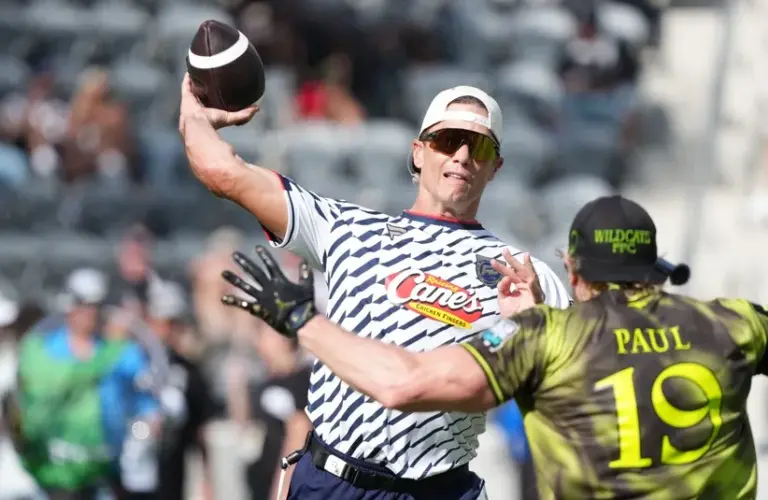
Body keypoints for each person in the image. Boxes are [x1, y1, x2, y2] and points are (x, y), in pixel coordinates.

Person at [179, 72, 571, 499]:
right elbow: (223, 172)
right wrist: (192, 111)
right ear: (419, 152)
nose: (460, 155)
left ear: (495, 167)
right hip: (331, 481)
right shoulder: (346, 228)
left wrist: (534, 325)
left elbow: (588, 383)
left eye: (477, 146)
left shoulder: (524, 276)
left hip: (436, 488)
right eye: (447, 140)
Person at [222, 194, 768, 499]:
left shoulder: (539, 338)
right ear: (654, 273)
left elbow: (404, 382)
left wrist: (303, 321)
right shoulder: (730, 324)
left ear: (573, 272)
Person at [12, 268, 162, 500]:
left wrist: (147, 422)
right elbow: (34, 398)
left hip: (103, 472)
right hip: (51, 473)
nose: (90, 313)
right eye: (84, 305)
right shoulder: (42, 351)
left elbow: (145, 399)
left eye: (96, 306)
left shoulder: (123, 353)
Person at [146, 280, 215, 500]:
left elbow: (200, 430)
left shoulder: (189, 371)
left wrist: (207, 479)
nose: (165, 331)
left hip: (171, 471)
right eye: (161, 322)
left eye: (172, 324)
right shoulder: (131, 363)